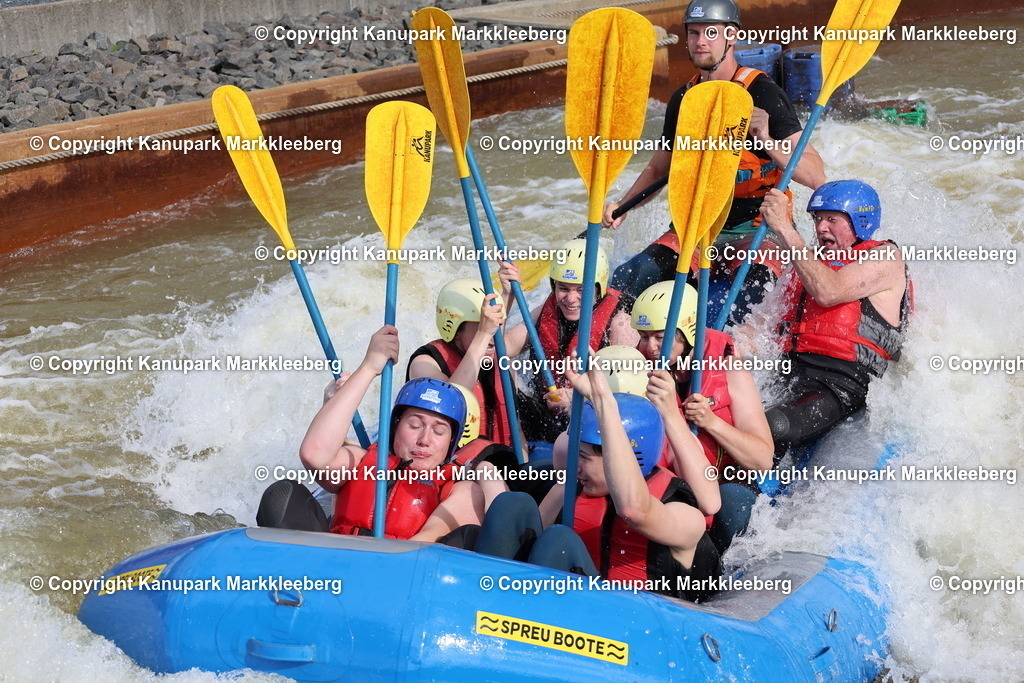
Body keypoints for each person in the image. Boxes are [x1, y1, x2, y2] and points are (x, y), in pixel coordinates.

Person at [602, 0, 825, 317]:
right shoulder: (683, 99)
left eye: (710, 33)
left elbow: (815, 175)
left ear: (731, 36)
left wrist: (766, 138)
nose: (700, 42)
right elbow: (657, 169)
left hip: (756, 228)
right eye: (693, 34)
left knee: (751, 297)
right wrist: (621, 207)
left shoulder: (764, 93)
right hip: (696, 224)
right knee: (628, 279)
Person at [472, 366, 722, 602]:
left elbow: (635, 511)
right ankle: (478, 606)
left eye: (583, 458)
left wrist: (604, 403)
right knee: (512, 505)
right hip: (569, 614)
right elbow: (522, 546)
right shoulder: (570, 490)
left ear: (619, 457)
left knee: (558, 541)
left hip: (632, 628)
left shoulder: (685, 515)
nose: (575, 466)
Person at [288, 325, 484, 541]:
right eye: (415, 425)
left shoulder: (462, 490)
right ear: (395, 428)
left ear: (452, 441)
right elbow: (314, 454)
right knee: (284, 495)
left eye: (439, 431)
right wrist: (369, 368)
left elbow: (425, 545)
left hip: (400, 571)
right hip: (337, 563)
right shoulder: (361, 462)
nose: (424, 440)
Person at [759, 181, 910, 452]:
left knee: (775, 425)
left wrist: (783, 227)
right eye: (817, 219)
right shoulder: (807, 264)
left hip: (841, 385)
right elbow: (762, 326)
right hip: (789, 373)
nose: (820, 228)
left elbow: (829, 291)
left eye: (831, 219)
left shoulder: (886, 256)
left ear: (860, 221)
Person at [631, 280, 774, 552]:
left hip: (722, 485)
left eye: (660, 337)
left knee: (733, 500)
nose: (649, 347)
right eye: (644, 336)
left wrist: (712, 422)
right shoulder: (636, 367)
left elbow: (763, 459)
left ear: (687, 333)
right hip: (672, 487)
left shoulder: (728, 369)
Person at [498, 239, 638, 443]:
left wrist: (576, 397)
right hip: (545, 418)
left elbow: (630, 395)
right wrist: (507, 296)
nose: (571, 299)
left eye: (581, 290)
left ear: (599, 289)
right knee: (499, 370)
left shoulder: (619, 325)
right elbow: (496, 350)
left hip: (592, 425)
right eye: (563, 288)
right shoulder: (545, 312)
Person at [407, 278, 514, 447]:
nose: (493, 336)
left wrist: (508, 294)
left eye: (496, 326)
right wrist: (483, 334)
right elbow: (451, 399)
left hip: (499, 459)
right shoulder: (424, 363)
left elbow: (518, 432)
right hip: (453, 463)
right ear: (456, 330)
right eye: (482, 326)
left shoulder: (498, 358)